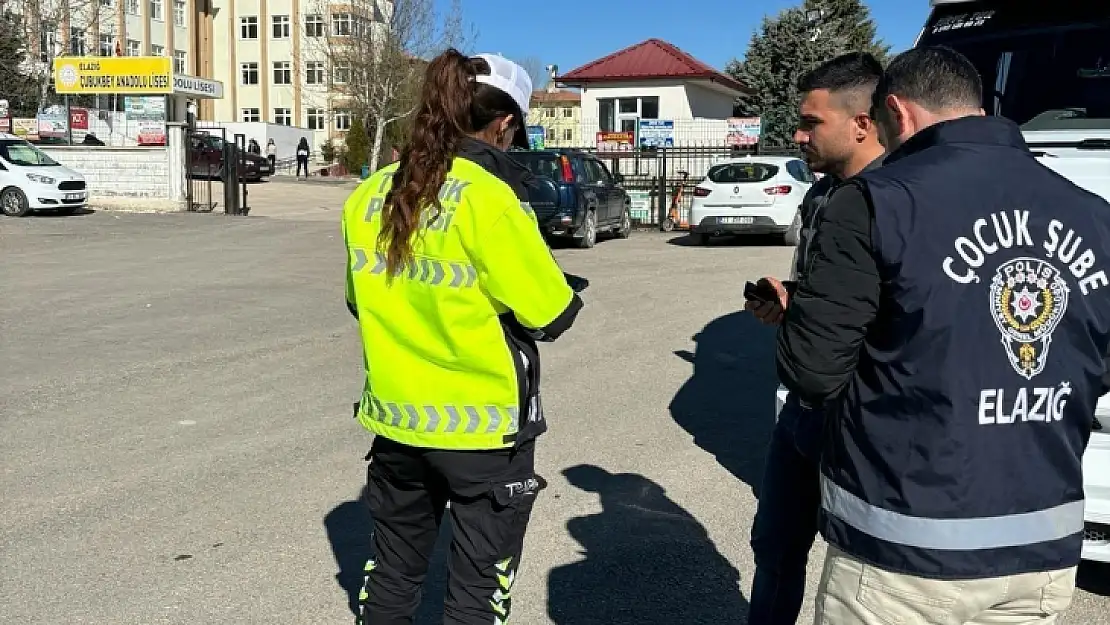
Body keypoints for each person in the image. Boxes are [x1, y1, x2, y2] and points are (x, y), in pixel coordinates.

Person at [776, 45, 1110, 624]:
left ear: (898, 114)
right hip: (1040, 551)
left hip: (903, 553)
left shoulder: (876, 202)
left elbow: (813, 369)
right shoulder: (1093, 212)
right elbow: (1094, 361)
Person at [341, 49, 584, 625]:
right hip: (482, 430)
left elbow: (358, 300)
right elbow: (551, 313)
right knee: (478, 590)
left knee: (393, 575)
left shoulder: (369, 193)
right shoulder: (487, 196)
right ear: (504, 124)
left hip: (396, 422)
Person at [743, 51, 885, 625]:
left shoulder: (897, 204)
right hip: (801, 411)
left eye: (811, 123)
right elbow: (838, 297)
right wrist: (790, 304)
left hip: (860, 417)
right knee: (775, 549)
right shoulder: (821, 194)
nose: (797, 134)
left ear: (862, 123)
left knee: (860, 568)